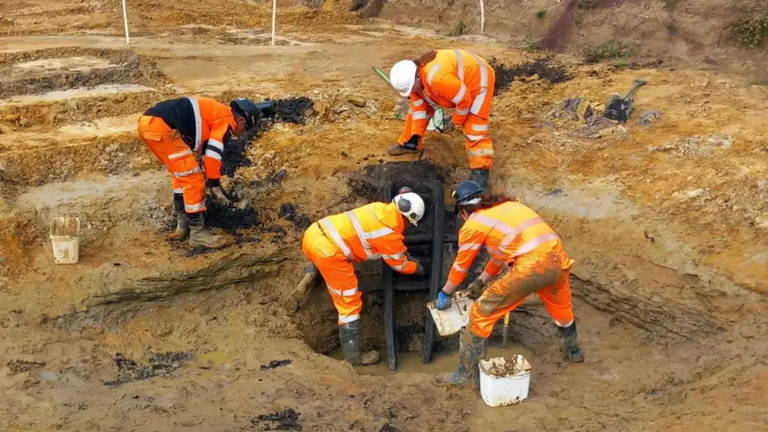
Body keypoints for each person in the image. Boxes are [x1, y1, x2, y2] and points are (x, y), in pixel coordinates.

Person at [435, 181, 584, 387]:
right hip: (557, 260)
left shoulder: (474, 223)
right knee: (561, 309)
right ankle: (573, 350)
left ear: (462, 211)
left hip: (531, 266)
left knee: (480, 313)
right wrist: (481, 281)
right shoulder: (510, 207)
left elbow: (461, 266)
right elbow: (498, 257)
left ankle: (466, 375)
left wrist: (445, 292)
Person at [302, 190, 427, 366]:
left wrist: (401, 251)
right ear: (408, 217)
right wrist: (416, 268)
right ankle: (353, 358)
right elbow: (398, 264)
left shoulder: (379, 208)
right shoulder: (389, 233)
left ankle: (311, 273)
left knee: (322, 253)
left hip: (312, 234)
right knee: (349, 305)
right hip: (329, 254)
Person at [138, 96, 262, 248]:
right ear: (242, 120)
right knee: (193, 179)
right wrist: (215, 185)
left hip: (148, 124)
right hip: (162, 128)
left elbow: (204, 154)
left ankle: (182, 226)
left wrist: (209, 177)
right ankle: (197, 234)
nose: (241, 134)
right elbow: (212, 155)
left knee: (181, 176)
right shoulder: (227, 121)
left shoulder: (216, 112)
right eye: (245, 129)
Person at [388, 49, 496, 188]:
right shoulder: (417, 80)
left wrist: (456, 120)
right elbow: (420, 109)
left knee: (474, 126)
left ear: (417, 78)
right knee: (415, 110)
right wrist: (415, 136)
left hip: (478, 79)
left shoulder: (437, 78)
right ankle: (409, 143)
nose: (411, 93)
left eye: (411, 89)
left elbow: (464, 100)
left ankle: (480, 173)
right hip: (454, 84)